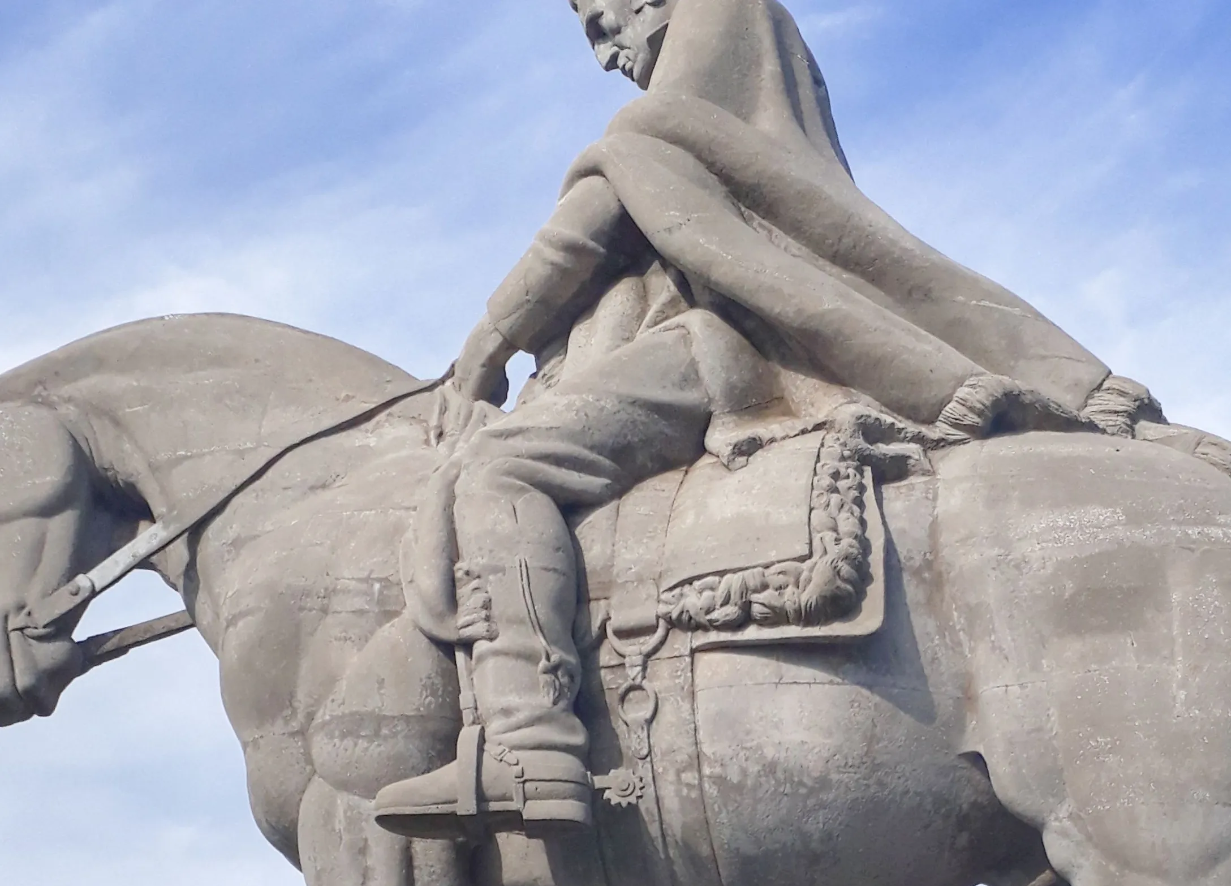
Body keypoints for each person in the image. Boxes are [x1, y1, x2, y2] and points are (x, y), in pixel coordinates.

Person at [371, 0, 1141, 839]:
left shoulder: (658, 132)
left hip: (715, 352)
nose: (602, 55)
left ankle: (528, 739)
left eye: (602, 22)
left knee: (502, 468)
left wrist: (483, 351)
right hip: (739, 345)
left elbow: (579, 241)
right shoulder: (772, 112)